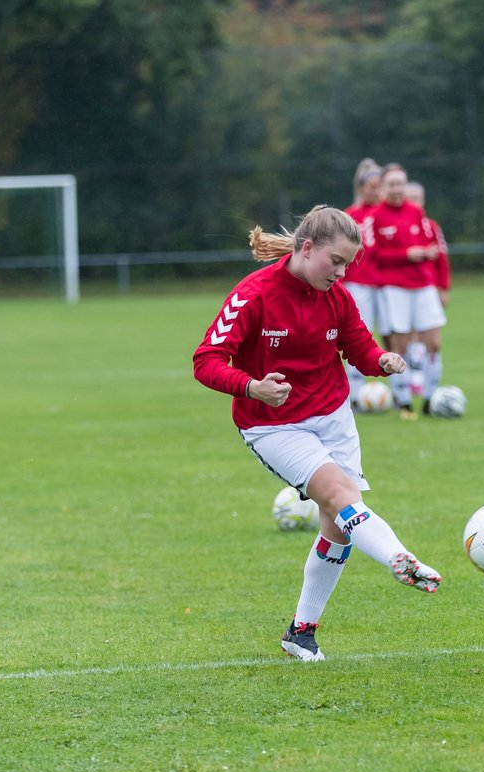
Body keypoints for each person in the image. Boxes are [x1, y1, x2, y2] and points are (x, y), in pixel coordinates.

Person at [192, 205, 443, 662]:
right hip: (274, 424)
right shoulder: (255, 294)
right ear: (307, 249)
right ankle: (398, 558)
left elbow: (358, 346)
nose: (343, 272)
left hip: (332, 414)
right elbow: (206, 359)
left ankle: (301, 632)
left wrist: (381, 361)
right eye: (337, 261)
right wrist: (252, 387)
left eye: (349, 263)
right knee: (341, 496)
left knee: (339, 527)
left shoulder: (337, 296)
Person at [369, 163, 446, 419]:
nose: (397, 189)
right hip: (395, 288)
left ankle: (428, 398)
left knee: (433, 343)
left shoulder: (416, 212)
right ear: (383, 188)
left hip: (423, 285)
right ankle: (403, 401)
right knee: (399, 345)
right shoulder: (376, 217)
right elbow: (373, 254)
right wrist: (406, 255)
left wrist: (427, 252)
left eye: (400, 183)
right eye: (391, 184)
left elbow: (430, 241)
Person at [403, 180, 451, 411]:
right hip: (400, 289)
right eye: (408, 198)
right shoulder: (398, 225)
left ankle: (430, 397)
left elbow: (442, 259)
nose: (413, 202)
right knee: (405, 340)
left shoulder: (431, 226)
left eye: (417, 198)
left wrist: (443, 287)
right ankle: (404, 393)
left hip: (427, 288)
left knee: (433, 341)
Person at [343, 158, 386, 408]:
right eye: (373, 186)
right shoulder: (351, 216)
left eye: (380, 186)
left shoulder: (385, 214)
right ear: (361, 187)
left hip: (388, 283)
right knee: (361, 334)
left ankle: (407, 388)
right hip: (360, 284)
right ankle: (356, 394)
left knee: (394, 335)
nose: (377, 191)